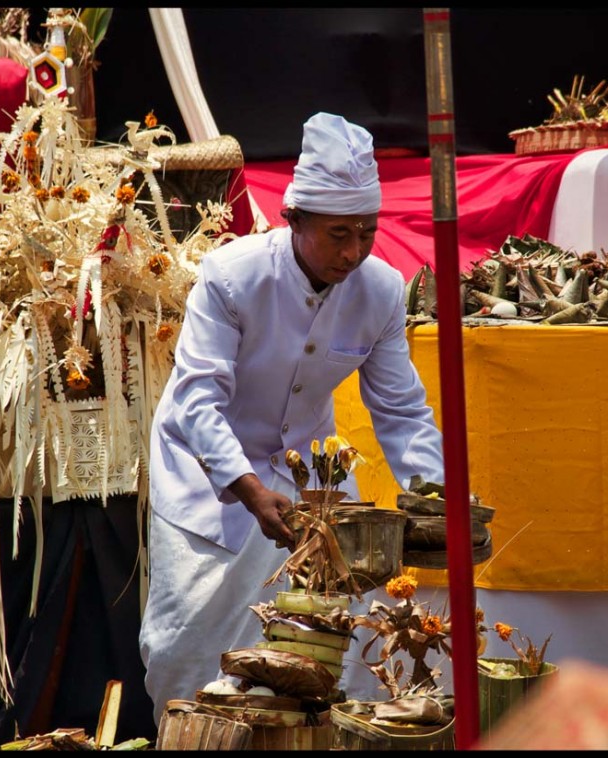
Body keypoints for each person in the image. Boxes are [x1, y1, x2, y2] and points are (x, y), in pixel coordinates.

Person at [138, 112, 445, 726]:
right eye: (338, 234)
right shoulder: (232, 277)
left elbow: (403, 410)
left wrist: (432, 498)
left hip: (309, 480)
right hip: (207, 476)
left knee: (335, 647)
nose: (354, 251)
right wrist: (248, 490)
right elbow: (197, 400)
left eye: (367, 232)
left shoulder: (380, 290)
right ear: (294, 219)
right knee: (185, 651)